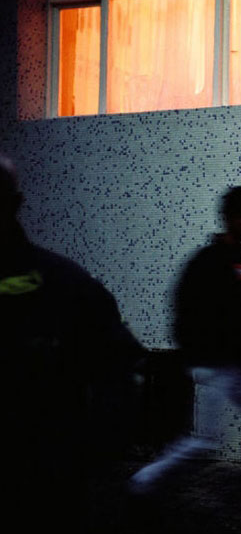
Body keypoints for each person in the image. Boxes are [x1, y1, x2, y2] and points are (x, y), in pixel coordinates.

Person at [0, 155, 145, 530]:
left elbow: (121, 374)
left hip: (44, 484)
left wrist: (84, 458)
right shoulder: (67, 283)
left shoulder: (65, 286)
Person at [129, 187, 241, 532]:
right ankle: (143, 482)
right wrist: (199, 356)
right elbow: (186, 312)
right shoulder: (207, 262)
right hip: (218, 365)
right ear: (230, 218)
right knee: (205, 441)